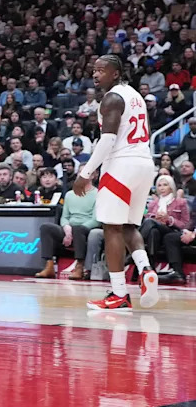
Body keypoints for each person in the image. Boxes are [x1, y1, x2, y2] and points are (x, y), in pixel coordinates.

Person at [73, 55, 159, 312]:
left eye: (101, 70)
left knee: (111, 228)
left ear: (116, 73)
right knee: (130, 226)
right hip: (144, 162)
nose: (96, 75)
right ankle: (145, 270)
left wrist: (86, 173)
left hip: (121, 165)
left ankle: (119, 293)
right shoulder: (136, 96)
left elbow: (108, 140)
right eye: (94, 70)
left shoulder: (111, 98)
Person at [35, 176, 101, 280]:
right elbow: (64, 217)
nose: (82, 175)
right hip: (70, 228)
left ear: (93, 176)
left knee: (78, 229)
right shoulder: (70, 194)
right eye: (80, 172)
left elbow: (96, 220)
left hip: (86, 229)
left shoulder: (98, 194)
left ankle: (79, 266)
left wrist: (75, 230)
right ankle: (49, 266)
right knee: (46, 227)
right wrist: (67, 229)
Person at [140, 175, 191, 285]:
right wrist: (156, 218)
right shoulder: (153, 203)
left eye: (165, 185)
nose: (162, 188)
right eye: (159, 185)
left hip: (172, 231)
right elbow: (148, 218)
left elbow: (185, 224)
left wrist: (169, 219)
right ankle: (151, 268)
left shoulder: (181, 202)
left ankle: (136, 247)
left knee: (150, 223)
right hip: (156, 232)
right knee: (152, 229)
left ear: (171, 187)